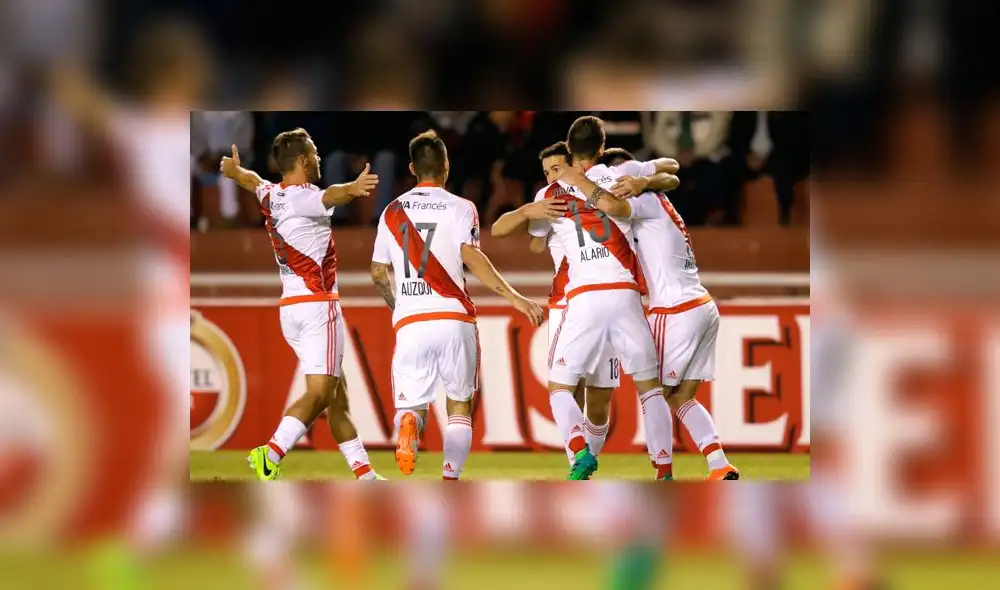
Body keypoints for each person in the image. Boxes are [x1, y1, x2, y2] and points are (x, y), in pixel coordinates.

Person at [567, 123, 739, 481]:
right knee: (682, 398)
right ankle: (719, 465)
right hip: (703, 306)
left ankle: (663, 473)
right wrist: (648, 179)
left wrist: (584, 183)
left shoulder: (639, 200)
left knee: (652, 393)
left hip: (674, 309)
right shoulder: (660, 198)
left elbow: (615, 207)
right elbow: (672, 170)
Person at [370, 130, 544, 479]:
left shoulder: (391, 212)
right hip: (454, 318)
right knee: (459, 406)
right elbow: (471, 256)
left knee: (410, 405)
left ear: (411, 169)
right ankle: (450, 478)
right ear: (446, 166)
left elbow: (377, 272)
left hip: (411, 322)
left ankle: (408, 423)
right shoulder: (462, 208)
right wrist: (514, 296)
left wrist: (398, 306)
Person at [220, 128, 386, 481]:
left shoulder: (272, 194)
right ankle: (272, 452)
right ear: (302, 160)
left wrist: (235, 173)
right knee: (321, 392)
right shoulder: (304, 196)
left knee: (335, 397)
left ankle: (366, 477)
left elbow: (254, 181)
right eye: (314, 151)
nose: (319, 157)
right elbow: (331, 197)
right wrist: (353, 190)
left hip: (290, 309)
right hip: (317, 307)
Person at [527, 116, 675, 480]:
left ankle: (579, 452)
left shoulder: (551, 192)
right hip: (625, 294)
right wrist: (644, 180)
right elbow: (672, 168)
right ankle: (664, 471)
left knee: (560, 388)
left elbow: (532, 241)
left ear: (568, 147)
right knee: (650, 390)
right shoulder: (621, 175)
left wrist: (526, 213)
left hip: (584, 298)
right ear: (602, 147)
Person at [491, 141, 617, 463]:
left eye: (557, 168)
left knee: (600, 398)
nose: (551, 177)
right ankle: (579, 464)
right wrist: (532, 215)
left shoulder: (600, 188)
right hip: (566, 300)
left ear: (575, 164)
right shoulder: (548, 196)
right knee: (567, 387)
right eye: (546, 172)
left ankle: (588, 461)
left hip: (603, 294)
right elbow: (522, 240)